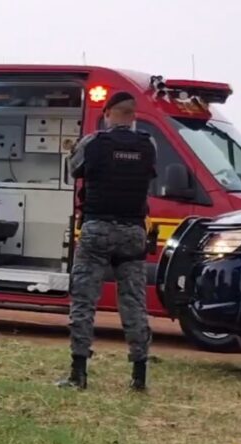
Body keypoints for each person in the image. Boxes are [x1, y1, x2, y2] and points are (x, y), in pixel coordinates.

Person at [62, 91, 156, 391]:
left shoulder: (93, 143)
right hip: (133, 231)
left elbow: (73, 172)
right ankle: (139, 376)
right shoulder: (147, 144)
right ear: (133, 115)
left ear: (108, 113)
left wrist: (72, 150)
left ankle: (79, 373)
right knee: (134, 303)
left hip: (97, 228)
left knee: (84, 300)